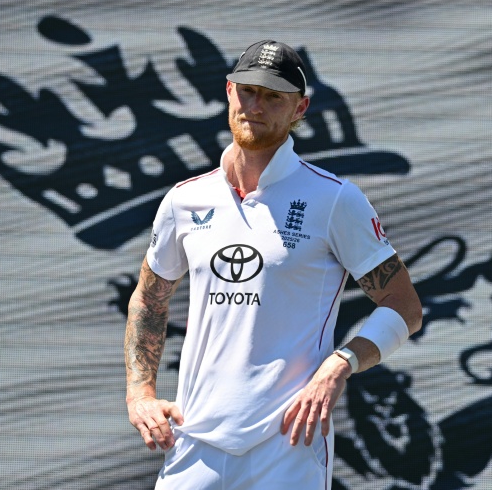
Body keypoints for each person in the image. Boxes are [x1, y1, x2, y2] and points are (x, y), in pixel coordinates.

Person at [124, 39, 423, 490]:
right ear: (229, 91)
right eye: (248, 91)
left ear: (300, 108)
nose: (256, 106)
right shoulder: (184, 200)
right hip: (191, 440)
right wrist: (140, 393)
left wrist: (340, 364)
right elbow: (149, 300)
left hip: (289, 445)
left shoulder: (334, 199)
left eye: (274, 97)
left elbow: (404, 306)